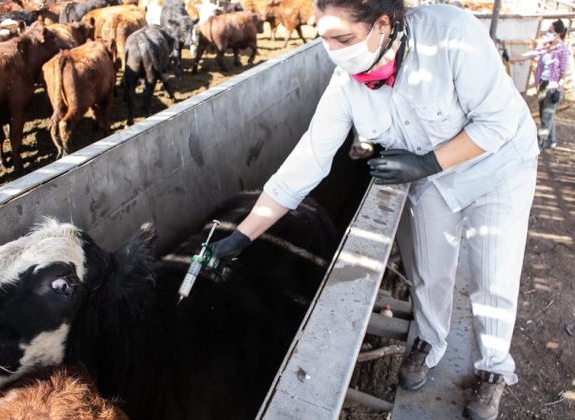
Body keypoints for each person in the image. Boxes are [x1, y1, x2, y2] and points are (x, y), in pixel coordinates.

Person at [210, 2, 538, 419]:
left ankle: (493, 369)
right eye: (324, 39)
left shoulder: (452, 33)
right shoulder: (346, 80)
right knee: (429, 267)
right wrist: (243, 234)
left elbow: (496, 123)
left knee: (493, 272)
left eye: (342, 39)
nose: (333, 52)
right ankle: (430, 341)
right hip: (435, 175)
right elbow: (309, 157)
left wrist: (424, 163)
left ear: (383, 25)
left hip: (498, 163)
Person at [513, 19, 569, 149]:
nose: (547, 34)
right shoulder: (546, 47)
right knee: (547, 114)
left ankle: (540, 142)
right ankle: (552, 140)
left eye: (550, 31)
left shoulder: (563, 50)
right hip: (543, 83)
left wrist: (559, 90)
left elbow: (564, 73)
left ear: (558, 34)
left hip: (553, 86)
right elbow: (530, 55)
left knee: (546, 116)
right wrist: (510, 58)